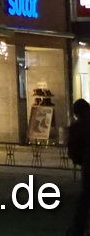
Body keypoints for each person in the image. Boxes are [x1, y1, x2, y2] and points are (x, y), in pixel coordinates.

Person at [67, 99, 90, 236]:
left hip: (88, 167)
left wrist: (82, 161)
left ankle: (78, 230)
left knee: (85, 200)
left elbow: (73, 152)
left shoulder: (76, 127)